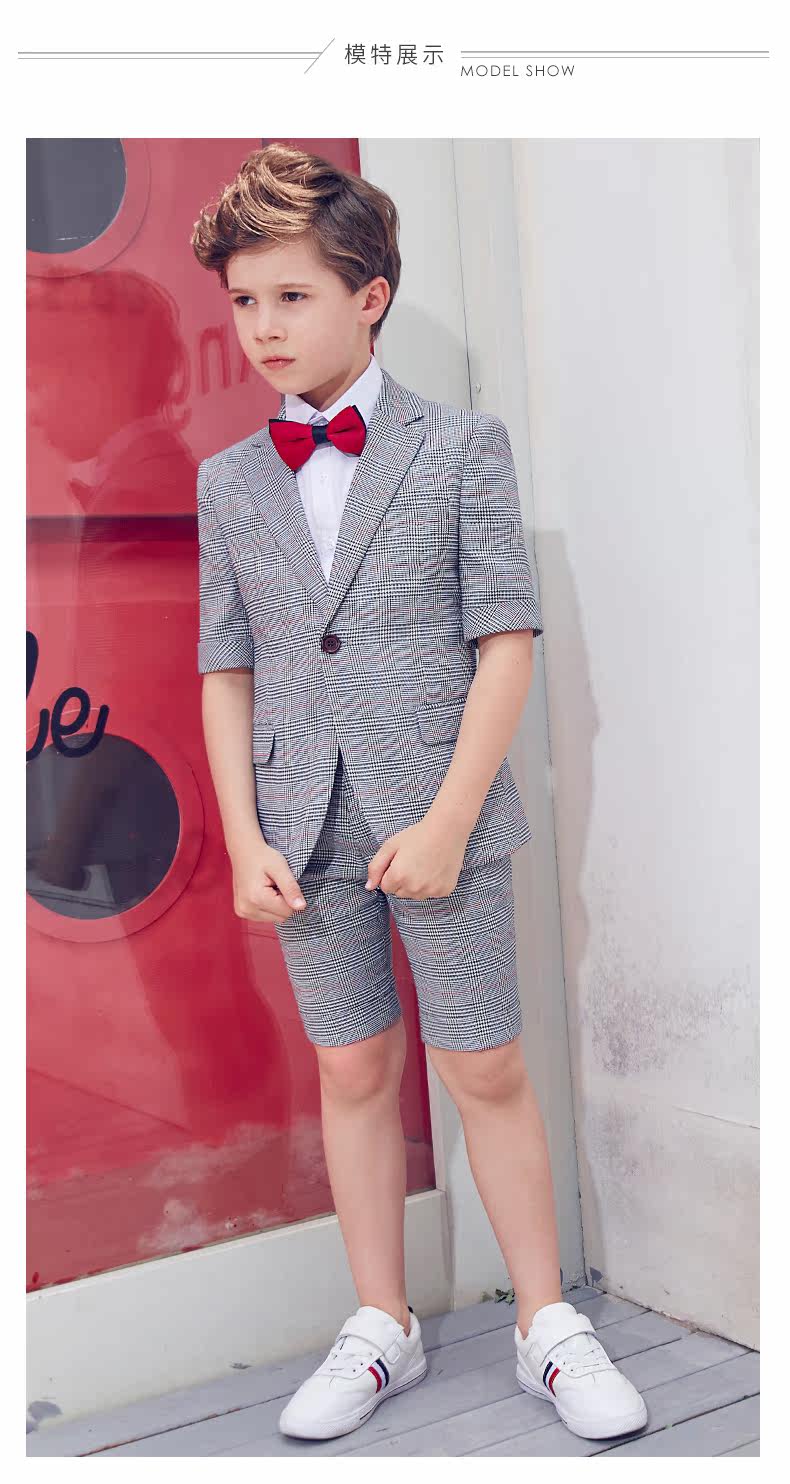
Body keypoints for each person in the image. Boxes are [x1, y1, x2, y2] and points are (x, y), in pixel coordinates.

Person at [190, 143, 648, 1445]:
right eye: (244, 301)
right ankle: (381, 1323)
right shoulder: (228, 481)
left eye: (291, 296)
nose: (263, 327)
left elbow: (505, 641)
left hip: (441, 816)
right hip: (300, 828)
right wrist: (241, 836)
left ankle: (545, 1324)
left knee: (484, 1061)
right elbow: (226, 667)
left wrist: (449, 821)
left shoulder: (460, 448)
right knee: (350, 1065)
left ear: (369, 295)